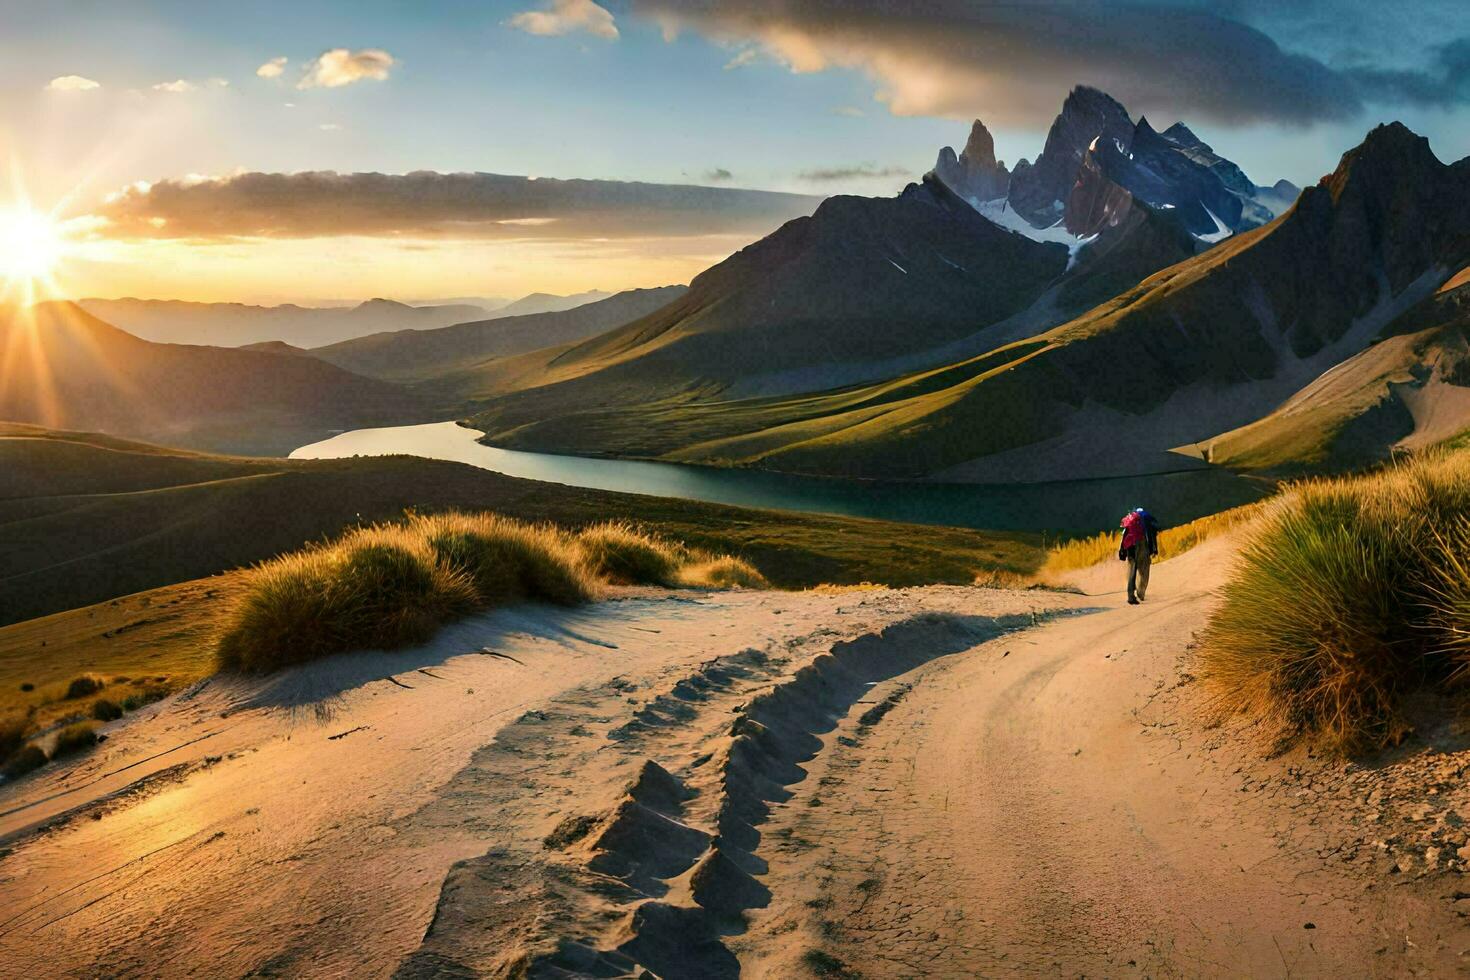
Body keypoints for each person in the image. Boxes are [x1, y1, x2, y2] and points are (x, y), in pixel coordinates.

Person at [1117, 507, 1160, 605]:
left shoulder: (1130, 520)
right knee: (1144, 570)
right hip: (1142, 544)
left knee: (1132, 571)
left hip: (1130, 547)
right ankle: (1141, 592)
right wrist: (1154, 549)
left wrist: (1122, 551)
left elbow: (1123, 536)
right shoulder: (1146, 520)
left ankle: (1130, 596)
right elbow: (1152, 534)